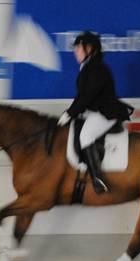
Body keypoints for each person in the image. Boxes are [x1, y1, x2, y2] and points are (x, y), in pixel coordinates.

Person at [57, 31, 134, 194]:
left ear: (89, 49)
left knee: (86, 136)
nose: (75, 52)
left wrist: (70, 113)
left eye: (78, 48)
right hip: (94, 111)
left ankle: (97, 178)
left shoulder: (97, 69)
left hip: (106, 113)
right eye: (75, 48)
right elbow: (82, 97)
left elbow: (87, 96)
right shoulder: (87, 67)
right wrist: (71, 113)